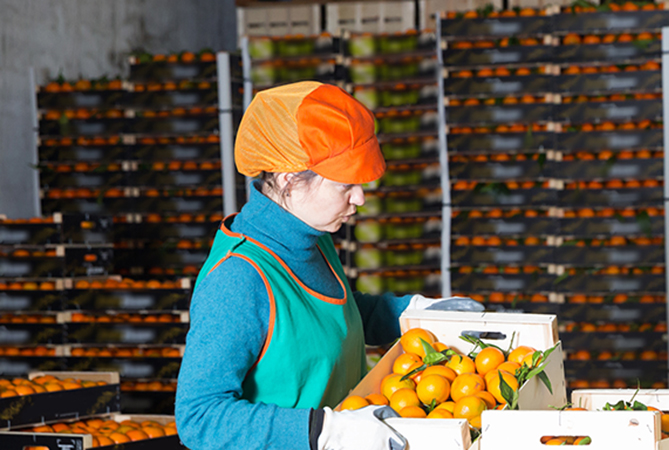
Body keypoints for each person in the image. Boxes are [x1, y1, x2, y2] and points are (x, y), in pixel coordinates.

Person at [176, 81, 481, 450]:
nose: (360, 198)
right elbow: (199, 418)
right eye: (345, 186)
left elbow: (327, 317)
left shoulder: (310, 236)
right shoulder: (237, 279)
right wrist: (325, 430)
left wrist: (413, 313)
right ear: (290, 179)